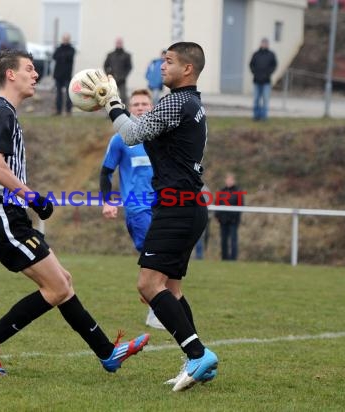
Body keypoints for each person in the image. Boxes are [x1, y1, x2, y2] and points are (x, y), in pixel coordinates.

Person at [0, 49, 149, 378]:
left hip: (3, 219)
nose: (35, 75)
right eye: (29, 69)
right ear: (10, 75)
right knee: (57, 288)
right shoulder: (2, 113)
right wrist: (32, 198)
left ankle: (108, 353)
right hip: (6, 216)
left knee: (63, 282)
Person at [81, 41, 218, 392]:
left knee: (148, 285)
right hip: (186, 206)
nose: (162, 65)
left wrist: (112, 102)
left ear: (188, 69)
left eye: (169, 61)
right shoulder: (192, 103)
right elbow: (145, 131)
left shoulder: (177, 100)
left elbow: (132, 135)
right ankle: (197, 359)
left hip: (177, 207)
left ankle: (198, 354)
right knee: (170, 288)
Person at [99, 88, 164, 331]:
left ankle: (154, 298)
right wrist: (108, 200)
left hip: (163, 206)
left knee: (163, 257)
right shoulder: (121, 139)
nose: (139, 107)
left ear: (152, 107)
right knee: (156, 256)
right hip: (138, 209)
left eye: (144, 104)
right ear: (129, 108)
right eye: (135, 104)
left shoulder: (161, 136)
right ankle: (155, 311)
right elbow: (106, 172)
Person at [214, 173, 244, 261]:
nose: (228, 182)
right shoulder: (221, 191)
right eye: (227, 180)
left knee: (233, 241)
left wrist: (235, 218)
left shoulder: (238, 191)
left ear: (234, 181)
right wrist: (217, 216)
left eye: (230, 180)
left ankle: (233, 259)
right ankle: (224, 258)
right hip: (223, 220)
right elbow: (217, 204)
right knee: (223, 241)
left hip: (233, 221)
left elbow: (241, 205)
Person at [249, 38, 277, 121]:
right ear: (261, 44)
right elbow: (251, 64)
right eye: (263, 43)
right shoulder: (256, 54)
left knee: (265, 99)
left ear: (268, 44)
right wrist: (255, 73)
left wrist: (268, 73)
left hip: (266, 81)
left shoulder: (271, 54)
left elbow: (274, 65)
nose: (264, 45)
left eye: (266, 43)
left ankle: (264, 117)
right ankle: (256, 116)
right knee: (256, 99)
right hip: (257, 80)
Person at [52, 33, 76, 115]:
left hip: (67, 76)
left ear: (69, 40)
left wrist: (62, 56)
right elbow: (54, 56)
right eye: (64, 39)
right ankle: (58, 110)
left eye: (67, 39)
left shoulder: (72, 49)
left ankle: (68, 111)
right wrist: (63, 56)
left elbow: (69, 57)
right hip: (58, 75)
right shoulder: (58, 48)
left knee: (69, 94)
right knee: (58, 94)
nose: (65, 40)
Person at [103, 37, 132, 105]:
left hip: (122, 80)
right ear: (115, 44)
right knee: (110, 96)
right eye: (117, 43)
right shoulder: (110, 55)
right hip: (112, 79)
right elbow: (105, 66)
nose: (119, 44)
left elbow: (129, 67)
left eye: (120, 43)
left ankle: (124, 112)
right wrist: (109, 74)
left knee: (123, 97)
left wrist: (124, 76)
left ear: (122, 44)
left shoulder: (127, 55)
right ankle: (111, 113)